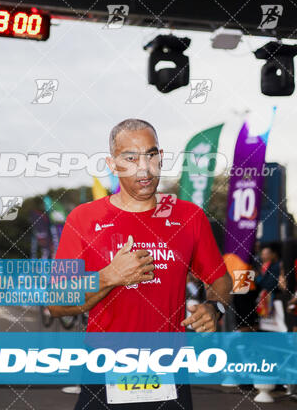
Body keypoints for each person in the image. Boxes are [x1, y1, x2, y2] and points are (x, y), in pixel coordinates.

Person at [48, 118, 232, 410]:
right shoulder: (82, 219)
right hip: (104, 365)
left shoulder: (189, 217)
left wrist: (215, 307)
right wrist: (108, 276)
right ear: (113, 164)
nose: (144, 167)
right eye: (130, 158)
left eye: (151, 155)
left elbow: (220, 279)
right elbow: (56, 303)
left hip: (169, 366)